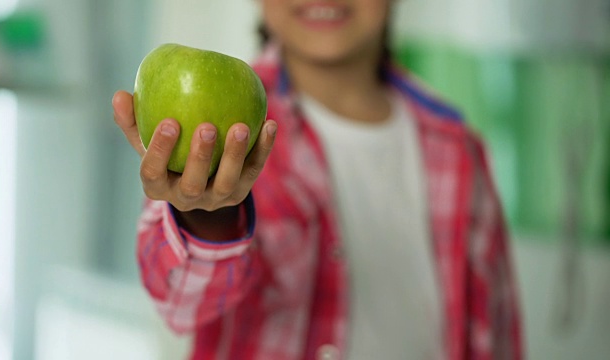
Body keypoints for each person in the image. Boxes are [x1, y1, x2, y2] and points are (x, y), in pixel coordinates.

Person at [112, 0, 523, 359]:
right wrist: (207, 218)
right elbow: (182, 304)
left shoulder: (459, 150)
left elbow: (496, 329)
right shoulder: (224, 134)